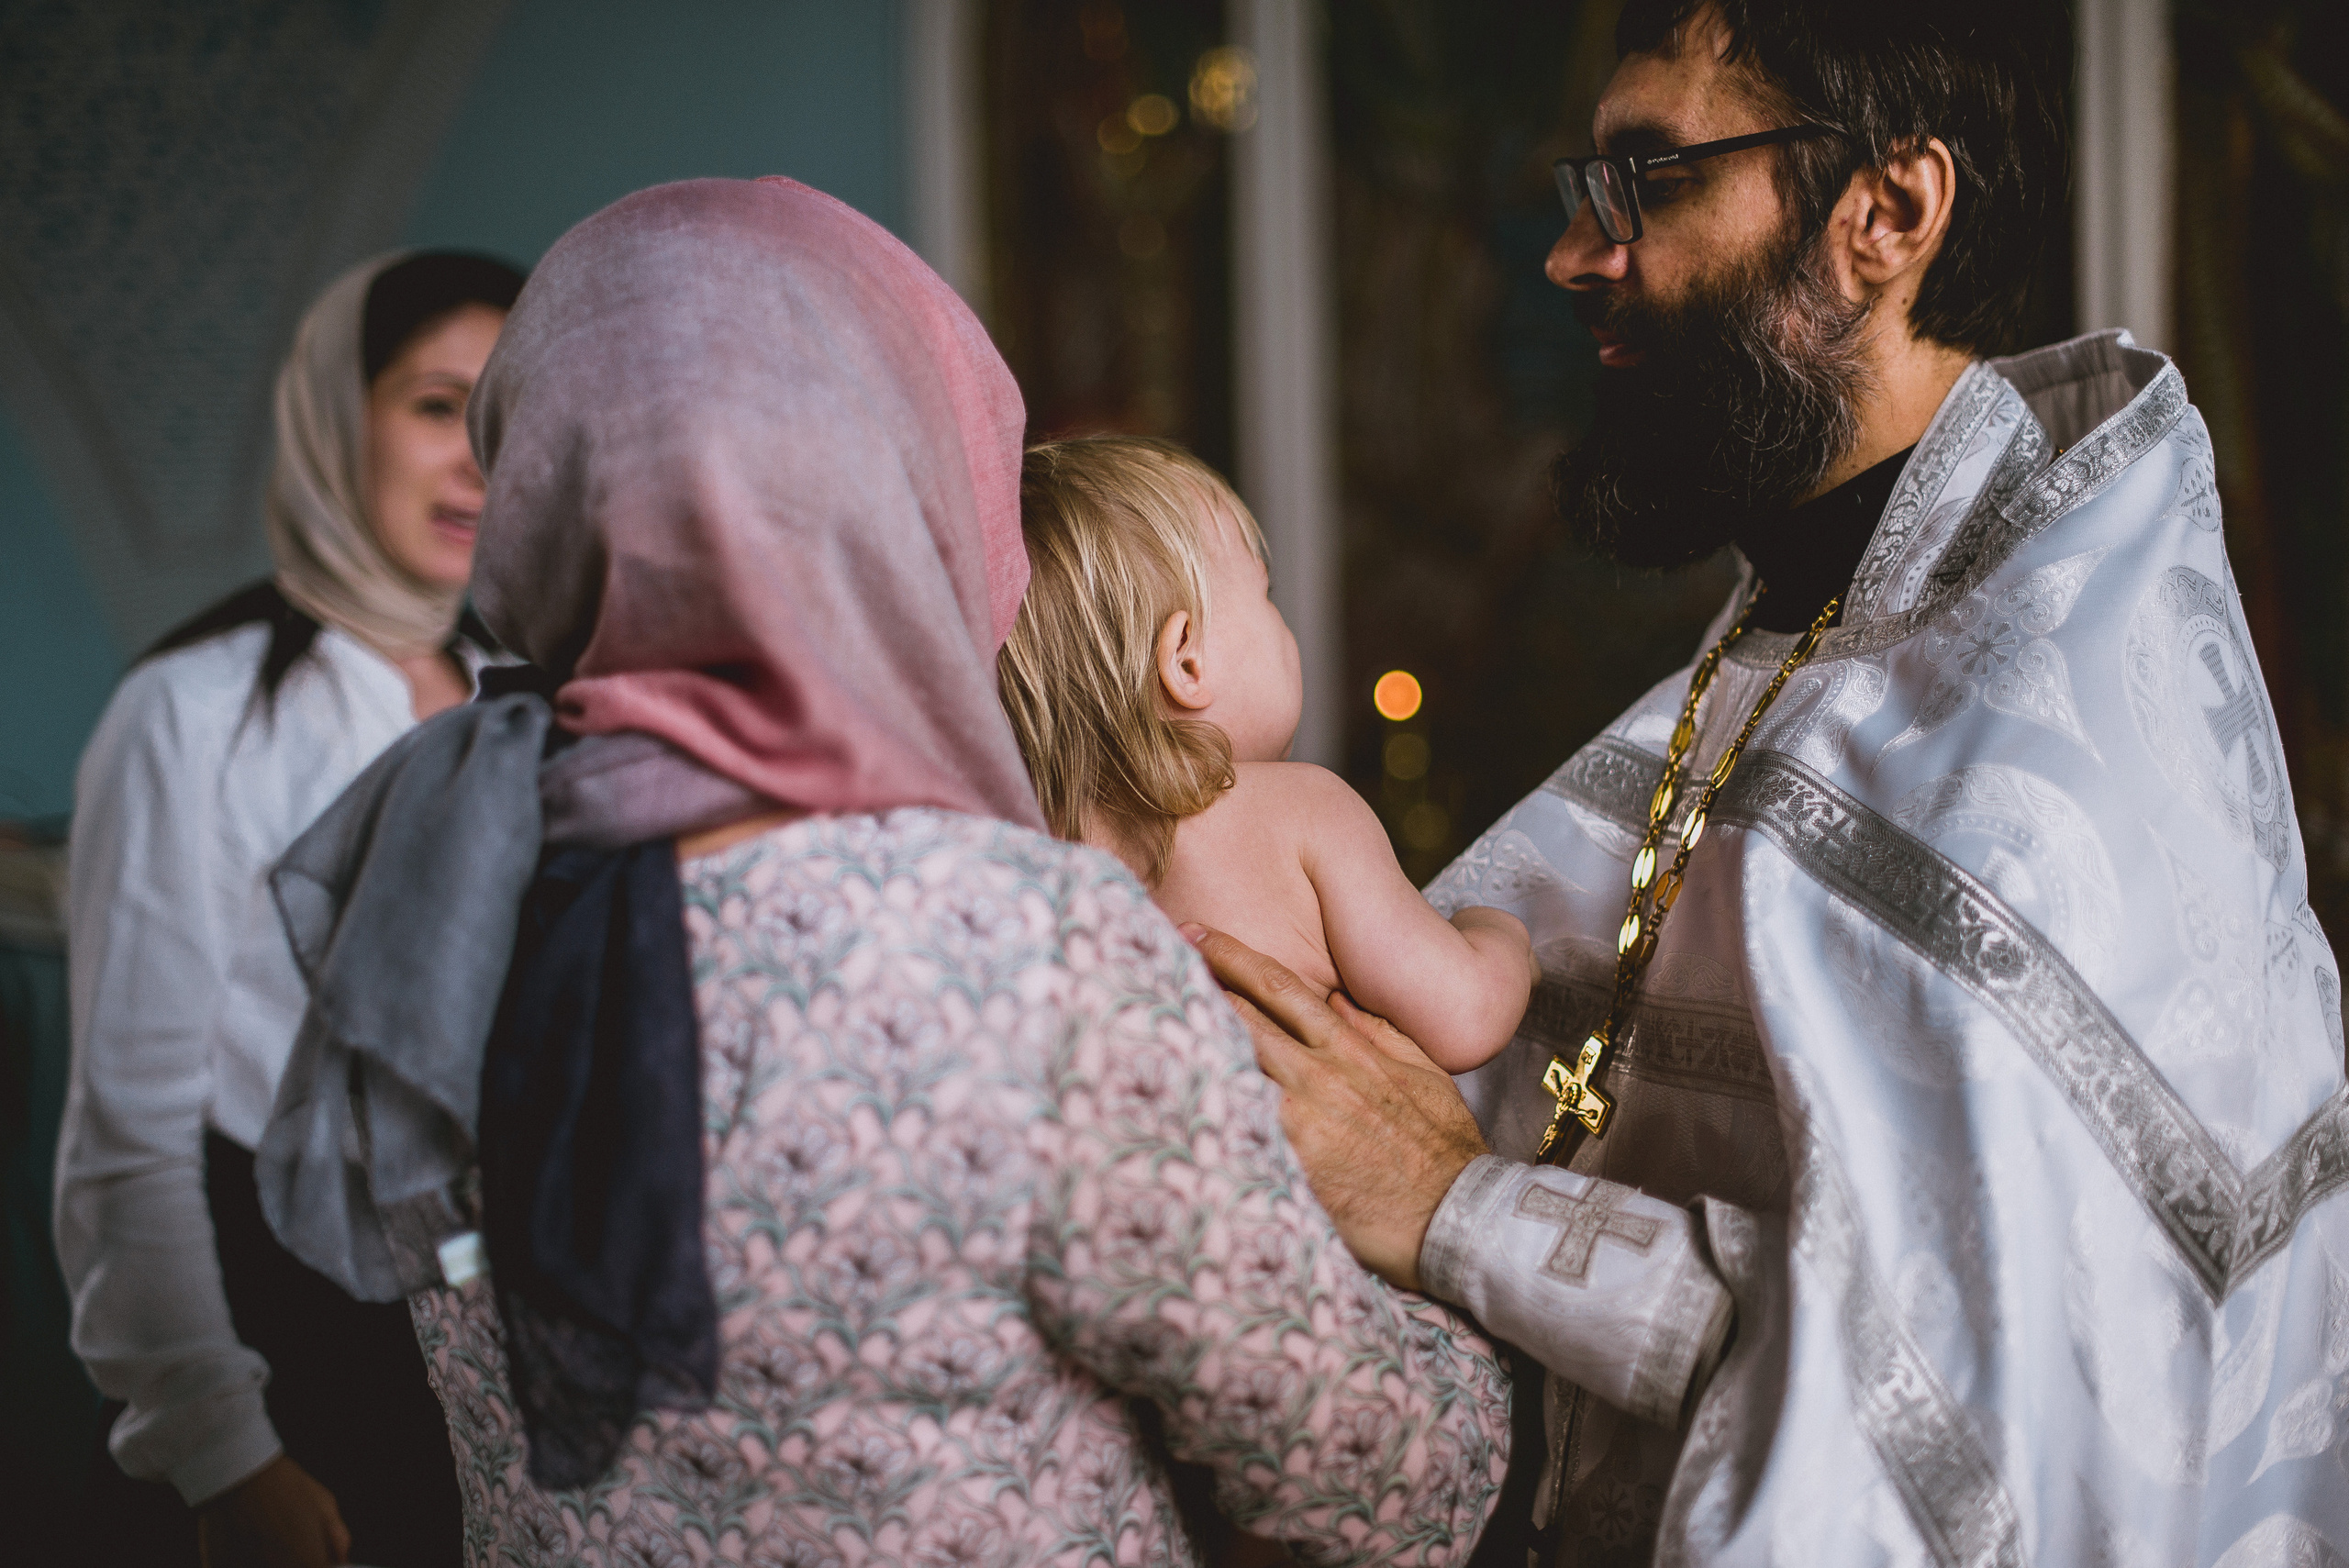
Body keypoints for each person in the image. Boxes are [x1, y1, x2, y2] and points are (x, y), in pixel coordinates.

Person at [1189, 2, 2349, 1564]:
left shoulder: (2054, 779)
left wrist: (1458, 1204)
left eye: (1652, 178)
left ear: (1889, 213)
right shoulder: (1811, 625)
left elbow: (1966, 1427)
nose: (1575, 256)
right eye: (1585, 188)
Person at [251, 176, 1510, 1567]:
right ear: (910, 497)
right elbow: (1388, 1486)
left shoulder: (436, 892)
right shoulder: (1027, 952)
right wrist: (1455, 1254)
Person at [55, 250, 524, 1567]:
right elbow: (129, 1130)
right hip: (299, 1352)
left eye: (503, 418)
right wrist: (222, 1447)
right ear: (333, 418)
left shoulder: (538, 697)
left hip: (515, 1351)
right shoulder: (193, 715)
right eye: (436, 406)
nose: (477, 460)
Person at [999, 434, 1535, 1072]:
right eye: (1266, 595)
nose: (1284, 623)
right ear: (1186, 662)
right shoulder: (1304, 812)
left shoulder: (1035, 869)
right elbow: (1466, 1014)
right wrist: (1501, 933)